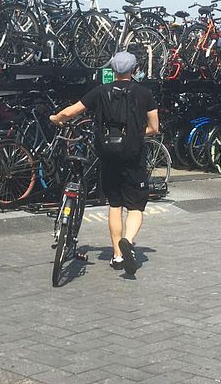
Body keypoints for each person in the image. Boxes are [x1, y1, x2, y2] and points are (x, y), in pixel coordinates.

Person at [50, 51, 159, 275]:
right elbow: (154, 128)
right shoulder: (145, 93)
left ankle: (117, 256)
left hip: (108, 155)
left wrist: (56, 118)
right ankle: (127, 241)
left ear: (112, 70)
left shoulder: (100, 92)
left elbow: (72, 111)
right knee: (136, 207)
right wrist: (137, 135)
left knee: (115, 205)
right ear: (134, 70)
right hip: (134, 156)